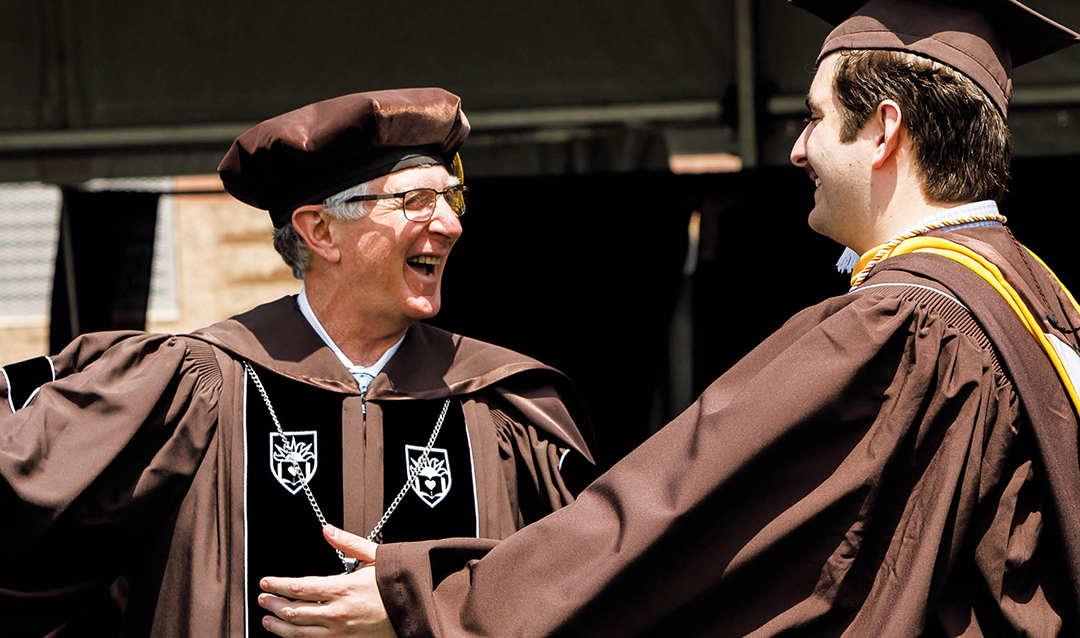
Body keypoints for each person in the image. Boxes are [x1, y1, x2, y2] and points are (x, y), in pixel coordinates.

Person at [255, 1, 1080, 636]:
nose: (795, 151)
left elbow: (681, 509)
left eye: (815, 118)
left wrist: (433, 597)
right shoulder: (1037, 302)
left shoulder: (900, 326)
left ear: (885, 130)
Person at [0, 88, 594, 637]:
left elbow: (589, 579)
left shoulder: (499, 410)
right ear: (320, 232)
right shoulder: (195, 388)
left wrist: (424, 600)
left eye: (452, 197)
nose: (450, 223)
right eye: (416, 200)